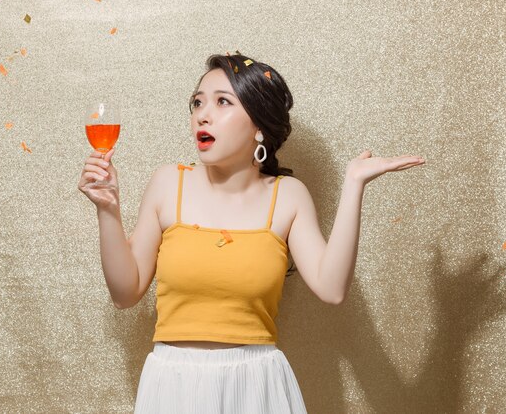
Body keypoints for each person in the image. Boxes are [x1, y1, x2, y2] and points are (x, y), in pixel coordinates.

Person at [78, 52, 425, 413]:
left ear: (259, 126)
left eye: (222, 102)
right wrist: (108, 210)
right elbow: (125, 293)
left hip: (257, 387)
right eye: (198, 102)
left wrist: (353, 184)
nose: (203, 114)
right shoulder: (167, 183)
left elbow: (332, 287)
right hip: (173, 384)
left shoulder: (288, 196)